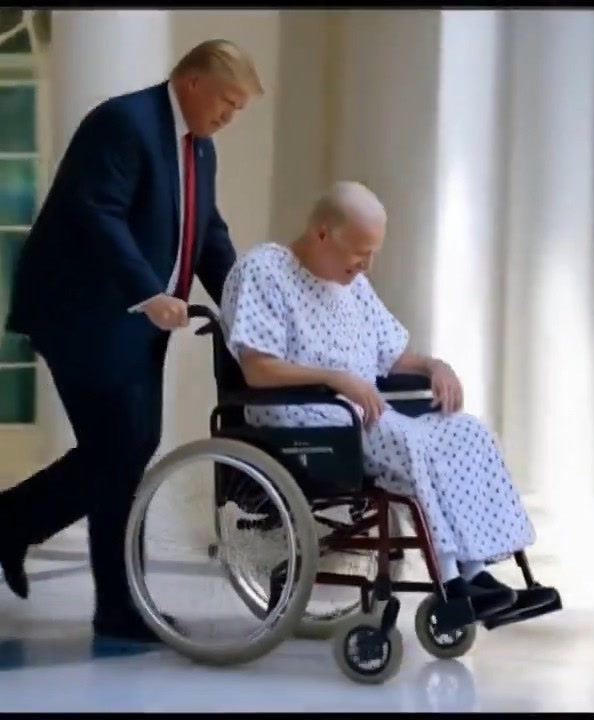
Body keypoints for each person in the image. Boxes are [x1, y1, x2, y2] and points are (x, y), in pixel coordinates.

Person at [0, 40, 263, 642]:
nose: (230, 116)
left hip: (137, 320)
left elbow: (207, 233)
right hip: (83, 313)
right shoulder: (123, 122)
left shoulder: (201, 147)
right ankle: (111, 602)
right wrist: (149, 292)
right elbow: (98, 213)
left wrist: (249, 307)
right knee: (120, 448)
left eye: (239, 108)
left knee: (125, 448)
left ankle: (25, 535)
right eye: (227, 101)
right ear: (193, 83)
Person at [220, 181, 556, 625]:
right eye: (360, 252)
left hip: (362, 414)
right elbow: (258, 369)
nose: (367, 265)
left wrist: (433, 365)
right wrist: (334, 378)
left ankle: (477, 571)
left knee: (465, 431)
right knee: (409, 441)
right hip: (304, 417)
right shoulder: (264, 271)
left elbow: (391, 356)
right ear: (322, 233)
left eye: (372, 253)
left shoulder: (353, 284)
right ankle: (452, 581)